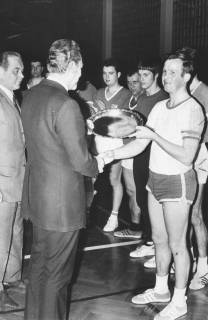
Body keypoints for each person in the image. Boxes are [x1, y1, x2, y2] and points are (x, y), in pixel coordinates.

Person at [101, 49, 205, 320]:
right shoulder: (160, 107)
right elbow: (139, 143)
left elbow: (187, 155)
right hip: (154, 180)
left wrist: (155, 137)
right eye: (166, 71)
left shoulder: (193, 109)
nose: (167, 77)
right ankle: (160, 289)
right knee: (158, 240)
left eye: (173, 72)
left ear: (187, 75)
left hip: (177, 183)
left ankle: (180, 301)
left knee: (178, 244)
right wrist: (110, 154)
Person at [21, 39, 103, 320]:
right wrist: (99, 162)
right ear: (72, 65)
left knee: (39, 269)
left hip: (38, 199)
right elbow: (82, 162)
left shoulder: (32, 95)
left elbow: (49, 141)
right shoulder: (66, 104)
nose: (81, 74)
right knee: (57, 277)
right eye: (80, 67)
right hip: (61, 206)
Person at [129, 58, 168, 261]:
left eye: (146, 75)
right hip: (139, 154)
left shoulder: (163, 99)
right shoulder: (142, 97)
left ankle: (158, 245)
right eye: (140, 74)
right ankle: (149, 241)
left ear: (156, 76)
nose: (141, 78)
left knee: (155, 202)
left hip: (154, 156)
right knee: (142, 200)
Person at [93, 58, 131, 232]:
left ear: (119, 74)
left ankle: (114, 217)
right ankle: (86, 211)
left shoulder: (126, 95)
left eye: (111, 73)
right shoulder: (99, 93)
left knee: (114, 179)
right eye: (104, 73)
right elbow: (94, 118)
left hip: (116, 142)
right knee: (90, 176)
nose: (107, 77)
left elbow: (128, 124)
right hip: (98, 140)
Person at [0, 51, 25, 305]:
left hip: (17, 180)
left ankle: (12, 277)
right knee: (0, 237)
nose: (22, 75)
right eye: (15, 70)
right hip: (2, 183)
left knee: (15, 232)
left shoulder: (12, 98)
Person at [113, 68, 143, 239]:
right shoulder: (129, 99)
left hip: (139, 152)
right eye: (129, 82)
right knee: (131, 191)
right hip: (127, 150)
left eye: (136, 82)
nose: (132, 86)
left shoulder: (148, 100)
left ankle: (144, 230)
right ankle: (135, 227)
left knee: (140, 193)